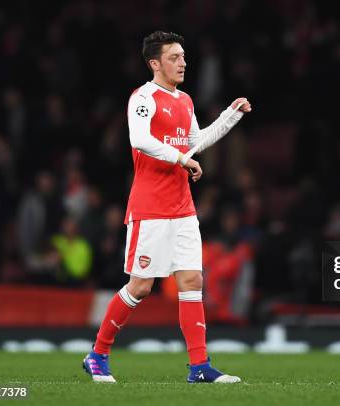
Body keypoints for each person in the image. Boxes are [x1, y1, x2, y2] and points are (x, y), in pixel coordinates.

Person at [83, 31, 251, 383]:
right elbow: (139, 140)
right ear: (154, 63)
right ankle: (97, 354)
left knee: (192, 279)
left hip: (183, 208)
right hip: (150, 208)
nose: (183, 62)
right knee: (141, 286)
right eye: (175, 57)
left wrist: (229, 116)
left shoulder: (186, 100)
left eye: (184, 56)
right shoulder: (143, 98)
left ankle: (200, 367)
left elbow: (195, 143)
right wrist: (180, 159)